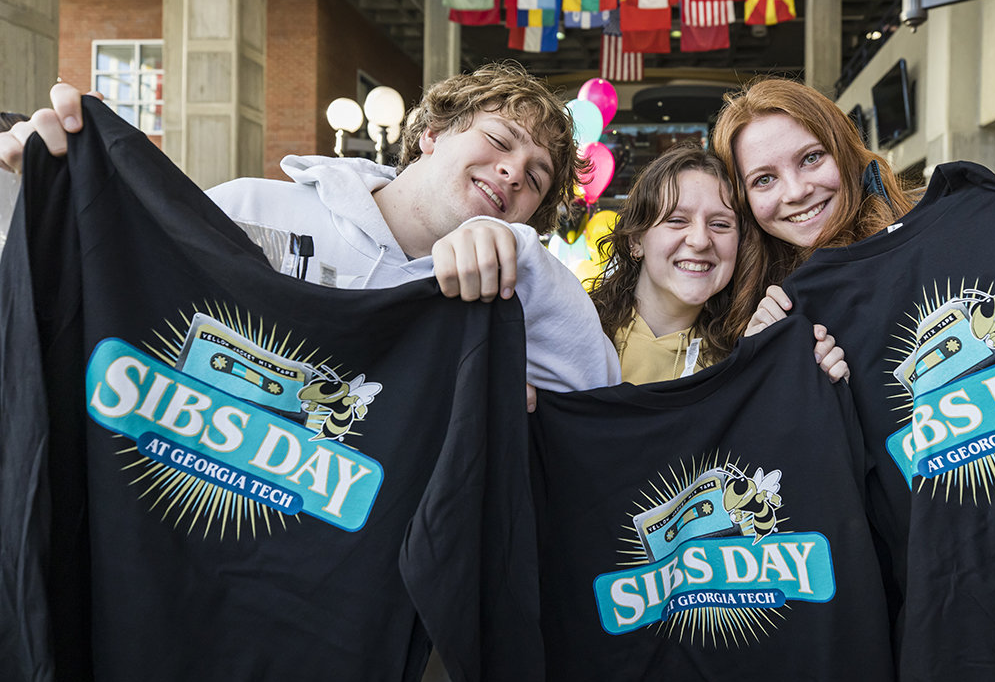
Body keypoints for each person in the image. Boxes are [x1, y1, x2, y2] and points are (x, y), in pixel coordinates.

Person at [0, 64, 622, 404]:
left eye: (538, 177)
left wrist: (522, 258)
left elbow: (595, 405)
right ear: (431, 133)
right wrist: (40, 194)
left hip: (336, 605)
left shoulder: (501, 302)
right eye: (497, 140)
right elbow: (102, 288)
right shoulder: (251, 205)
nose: (515, 171)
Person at [708, 77, 995, 336]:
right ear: (743, 201)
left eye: (811, 158)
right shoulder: (741, 304)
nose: (795, 191)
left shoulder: (944, 236)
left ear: (847, 154)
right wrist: (765, 358)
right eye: (764, 179)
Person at [587, 140, 847, 384]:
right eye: (677, 220)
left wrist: (802, 376)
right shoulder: (578, 332)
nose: (700, 241)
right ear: (636, 240)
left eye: (720, 224)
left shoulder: (742, 353)